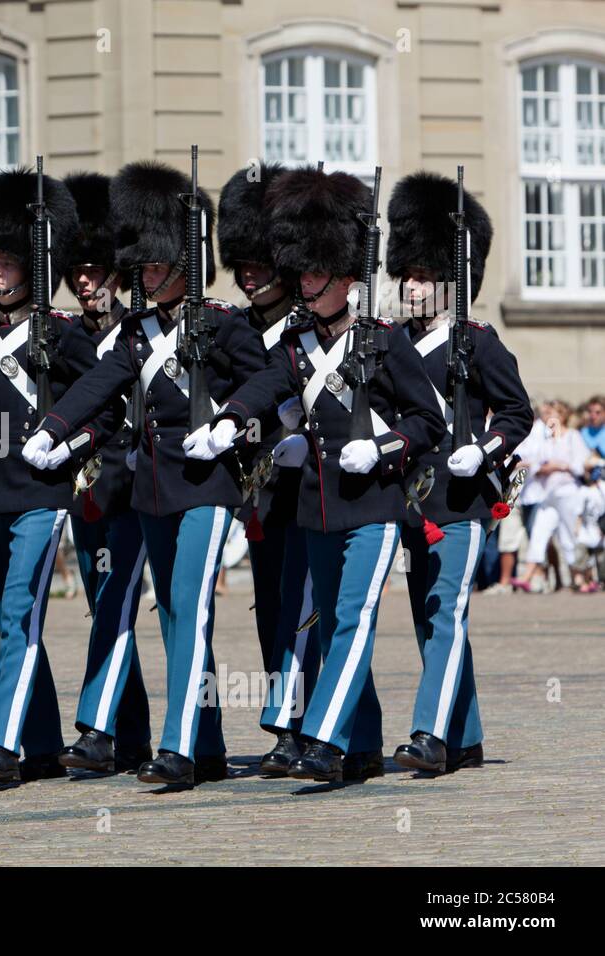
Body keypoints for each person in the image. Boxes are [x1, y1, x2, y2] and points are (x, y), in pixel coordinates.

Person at [186, 165, 446, 783]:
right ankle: (361, 746)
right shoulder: (299, 340)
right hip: (318, 507)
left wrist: (385, 449)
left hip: (376, 503)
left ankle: (325, 741)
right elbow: (268, 382)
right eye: (300, 273)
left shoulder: (383, 341)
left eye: (314, 273)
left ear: (345, 276)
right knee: (330, 627)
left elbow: (427, 419)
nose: (303, 284)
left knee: (354, 621)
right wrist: (231, 420)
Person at [24, 159, 266, 790]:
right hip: (154, 490)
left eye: (156, 264)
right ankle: (208, 743)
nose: (146, 274)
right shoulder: (138, 331)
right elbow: (101, 385)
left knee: (189, 607)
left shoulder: (222, 321)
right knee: (177, 621)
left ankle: (179, 747)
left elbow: (270, 378)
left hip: (209, 486)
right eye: (143, 266)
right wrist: (52, 427)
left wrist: (233, 418)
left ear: (182, 261)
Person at [0, 165, 120, 784]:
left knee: (19, 610)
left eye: (10, 261)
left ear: (33, 264)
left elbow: (108, 405)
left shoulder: (65, 333)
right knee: (11, 619)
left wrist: (70, 446)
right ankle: (43, 743)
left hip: (44, 493)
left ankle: (1, 744)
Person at [385, 169, 534, 774]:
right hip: (412, 499)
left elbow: (519, 412)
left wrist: (489, 447)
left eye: (425, 277)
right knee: (430, 615)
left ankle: (430, 735)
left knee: (445, 610)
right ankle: (465, 734)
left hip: (464, 497)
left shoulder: (478, 340)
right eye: (409, 276)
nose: (413, 287)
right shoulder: (391, 341)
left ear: (451, 282)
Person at [216, 161, 321, 775]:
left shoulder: (310, 328)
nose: (251, 275)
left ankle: (298, 725)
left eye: (261, 263)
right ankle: (291, 722)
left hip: (311, 486)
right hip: (261, 489)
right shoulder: (235, 328)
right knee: (271, 607)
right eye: (244, 264)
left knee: (305, 609)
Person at [49, 171, 152, 775]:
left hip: (139, 486)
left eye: (97, 272)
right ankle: (129, 736)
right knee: (105, 608)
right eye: (78, 273)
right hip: (88, 493)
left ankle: (94, 726)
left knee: (118, 606)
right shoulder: (63, 340)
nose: (86, 283)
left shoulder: (143, 334)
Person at [515, 400, 588, 593]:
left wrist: (559, 466)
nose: (547, 418)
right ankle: (527, 577)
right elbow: (536, 466)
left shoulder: (572, 437)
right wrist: (551, 466)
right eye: (545, 414)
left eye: (551, 413)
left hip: (568, 492)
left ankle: (578, 577)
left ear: (562, 415)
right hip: (548, 494)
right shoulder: (546, 442)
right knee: (539, 531)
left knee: (568, 535)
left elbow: (580, 465)